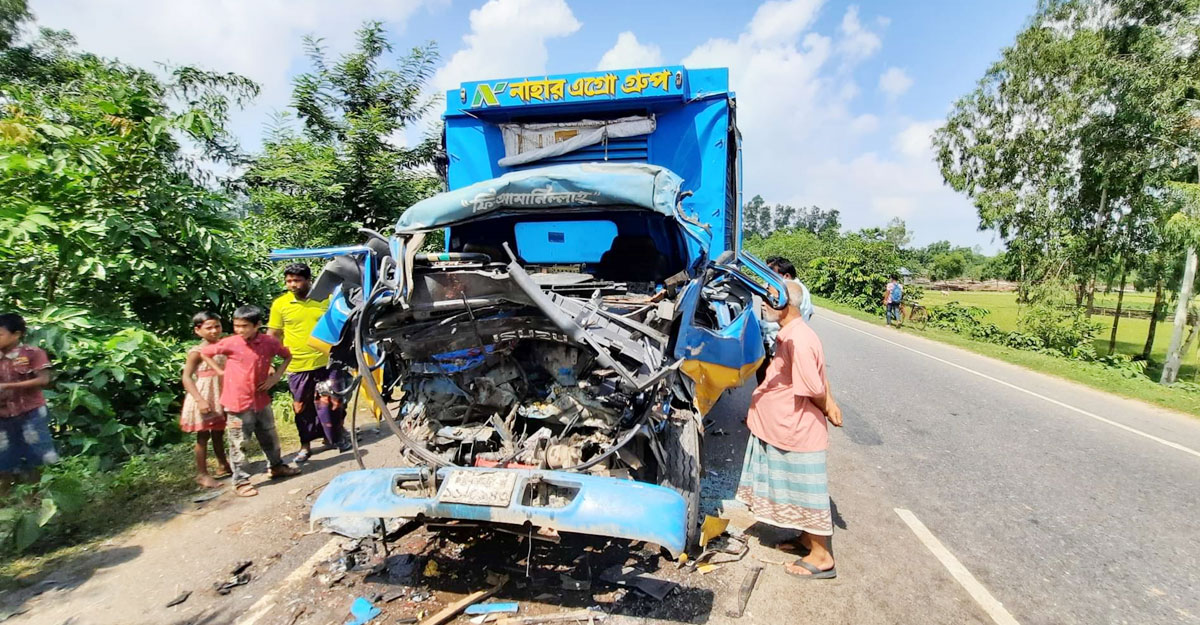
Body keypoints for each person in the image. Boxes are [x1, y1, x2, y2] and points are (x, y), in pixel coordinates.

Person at [737, 282, 843, 579]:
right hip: (781, 426)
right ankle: (807, 539)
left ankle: (822, 557)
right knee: (795, 489)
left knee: (807, 492)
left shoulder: (801, 339)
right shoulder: (791, 335)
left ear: (787, 304)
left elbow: (813, 387)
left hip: (796, 430)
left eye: (770, 301)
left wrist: (827, 407)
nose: (764, 306)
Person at [201, 305, 300, 497]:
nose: (239, 330)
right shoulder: (231, 343)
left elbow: (287, 355)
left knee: (269, 436)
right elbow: (205, 352)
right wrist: (220, 371)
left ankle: (276, 466)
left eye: (244, 326)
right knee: (239, 443)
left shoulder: (268, 342)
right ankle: (241, 481)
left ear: (257, 325)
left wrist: (275, 377)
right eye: (236, 326)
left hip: (261, 400)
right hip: (237, 403)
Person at [267, 264, 350, 463]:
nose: (292, 285)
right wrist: (268, 361)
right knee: (302, 408)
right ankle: (305, 446)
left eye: (297, 280)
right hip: (297, 365)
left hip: (328, 361)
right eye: (288, 281)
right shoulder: (281, 304)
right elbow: (273, 335)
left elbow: (342, 323)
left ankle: (335, 438)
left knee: (334, 402)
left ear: (308, 280)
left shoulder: (326, 299)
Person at [0, 313, 58, 494]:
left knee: (38, 456)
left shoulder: (33, 353)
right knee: (5, 459)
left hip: (30, 412)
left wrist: (8, 386)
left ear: (16, 334)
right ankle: (7, 501)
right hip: (3, 416)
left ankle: (39, 496)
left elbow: (43, 380)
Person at [180, 311, 232, 489]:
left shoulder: (225, 345)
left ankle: (223, 464)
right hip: (204, 394)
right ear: (198, 330)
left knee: (218, 431)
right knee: (203, 436)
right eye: (208, 328)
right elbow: (186, 377)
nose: (214, 331)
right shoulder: (197, 352)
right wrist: (200, 400)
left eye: (217, 326)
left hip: (221, 392)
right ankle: (202, 474)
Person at [766, 257, 814, 322]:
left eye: (774, 275)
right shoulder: (800, 288)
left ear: (786, 276)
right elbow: (810, 313)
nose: (771, 277)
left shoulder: (790, 290)